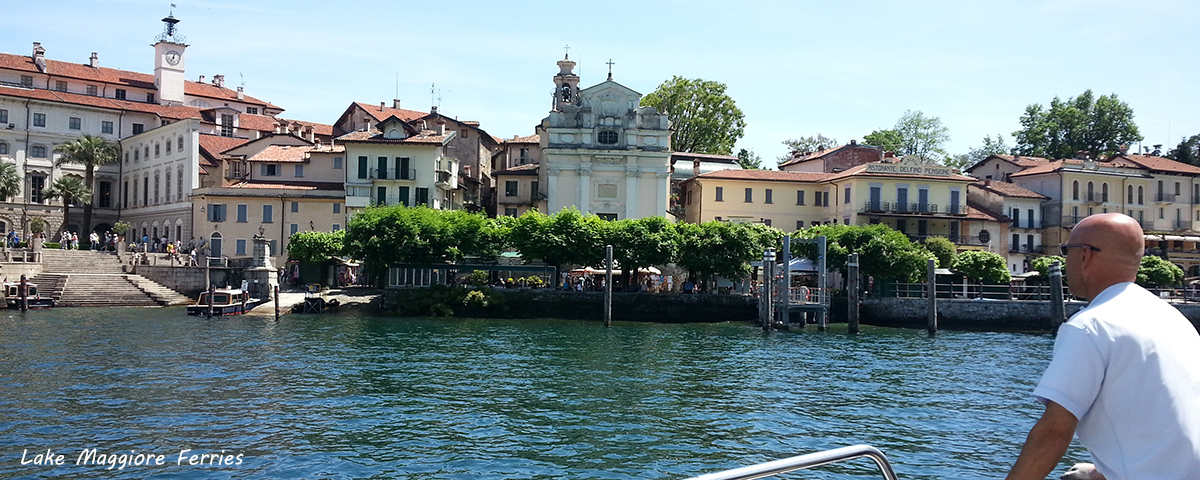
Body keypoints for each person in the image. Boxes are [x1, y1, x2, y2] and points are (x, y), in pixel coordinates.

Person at [1005, 213, 1200, 480]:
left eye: (1066, 251)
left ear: (1085, 255)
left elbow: (1053, 434)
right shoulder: (1174, 320)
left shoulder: (1090, 326)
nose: (1065, 260)